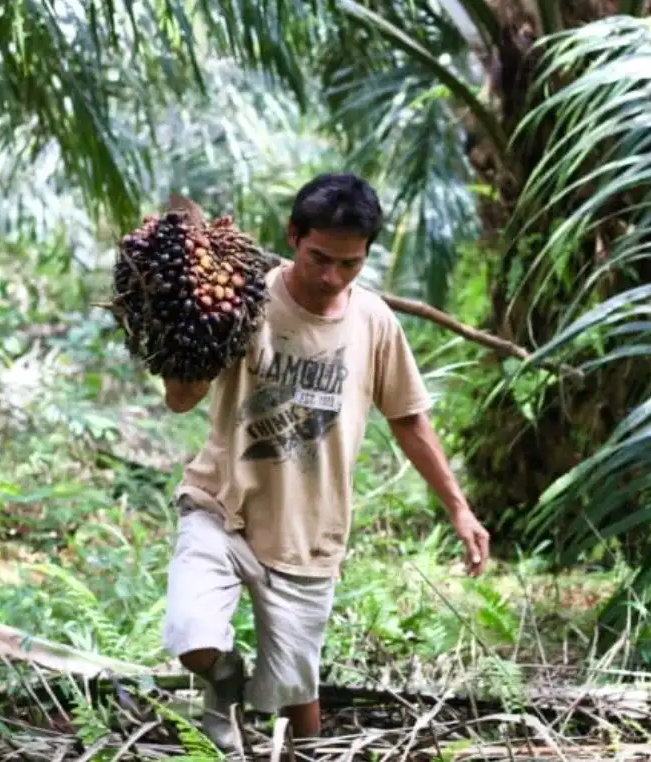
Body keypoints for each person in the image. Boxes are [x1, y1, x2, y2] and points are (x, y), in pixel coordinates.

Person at [159, 172, 490, 748]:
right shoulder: (245, 303)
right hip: (220, 504)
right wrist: (182, 324)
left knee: (294, 690)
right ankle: (223, 679)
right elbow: (179, 399)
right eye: (319, 259)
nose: (331, 277)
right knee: (193, 636)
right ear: (293, 236)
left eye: (350, 264)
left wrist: (459, 510)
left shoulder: (374, 321)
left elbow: (409, 420)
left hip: (307, 533)